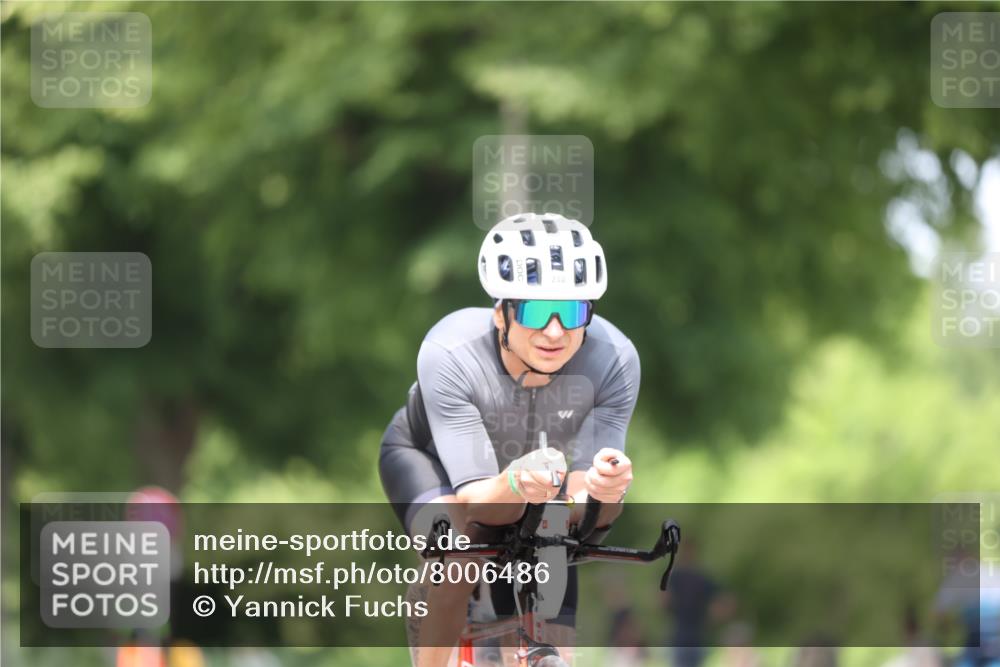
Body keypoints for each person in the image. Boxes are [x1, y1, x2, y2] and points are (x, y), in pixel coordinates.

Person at [379, 213, 641, 667]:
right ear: (501, 313)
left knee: (555, 531)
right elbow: (480, 501)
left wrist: (604, 491)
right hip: (431, 462)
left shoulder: (615, 359)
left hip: (535, 475)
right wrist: (520, 483)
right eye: (538, 311)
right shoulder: (450, 351)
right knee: (460, 557)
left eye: (574, 311)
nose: (556, 331)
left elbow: (587, 501)